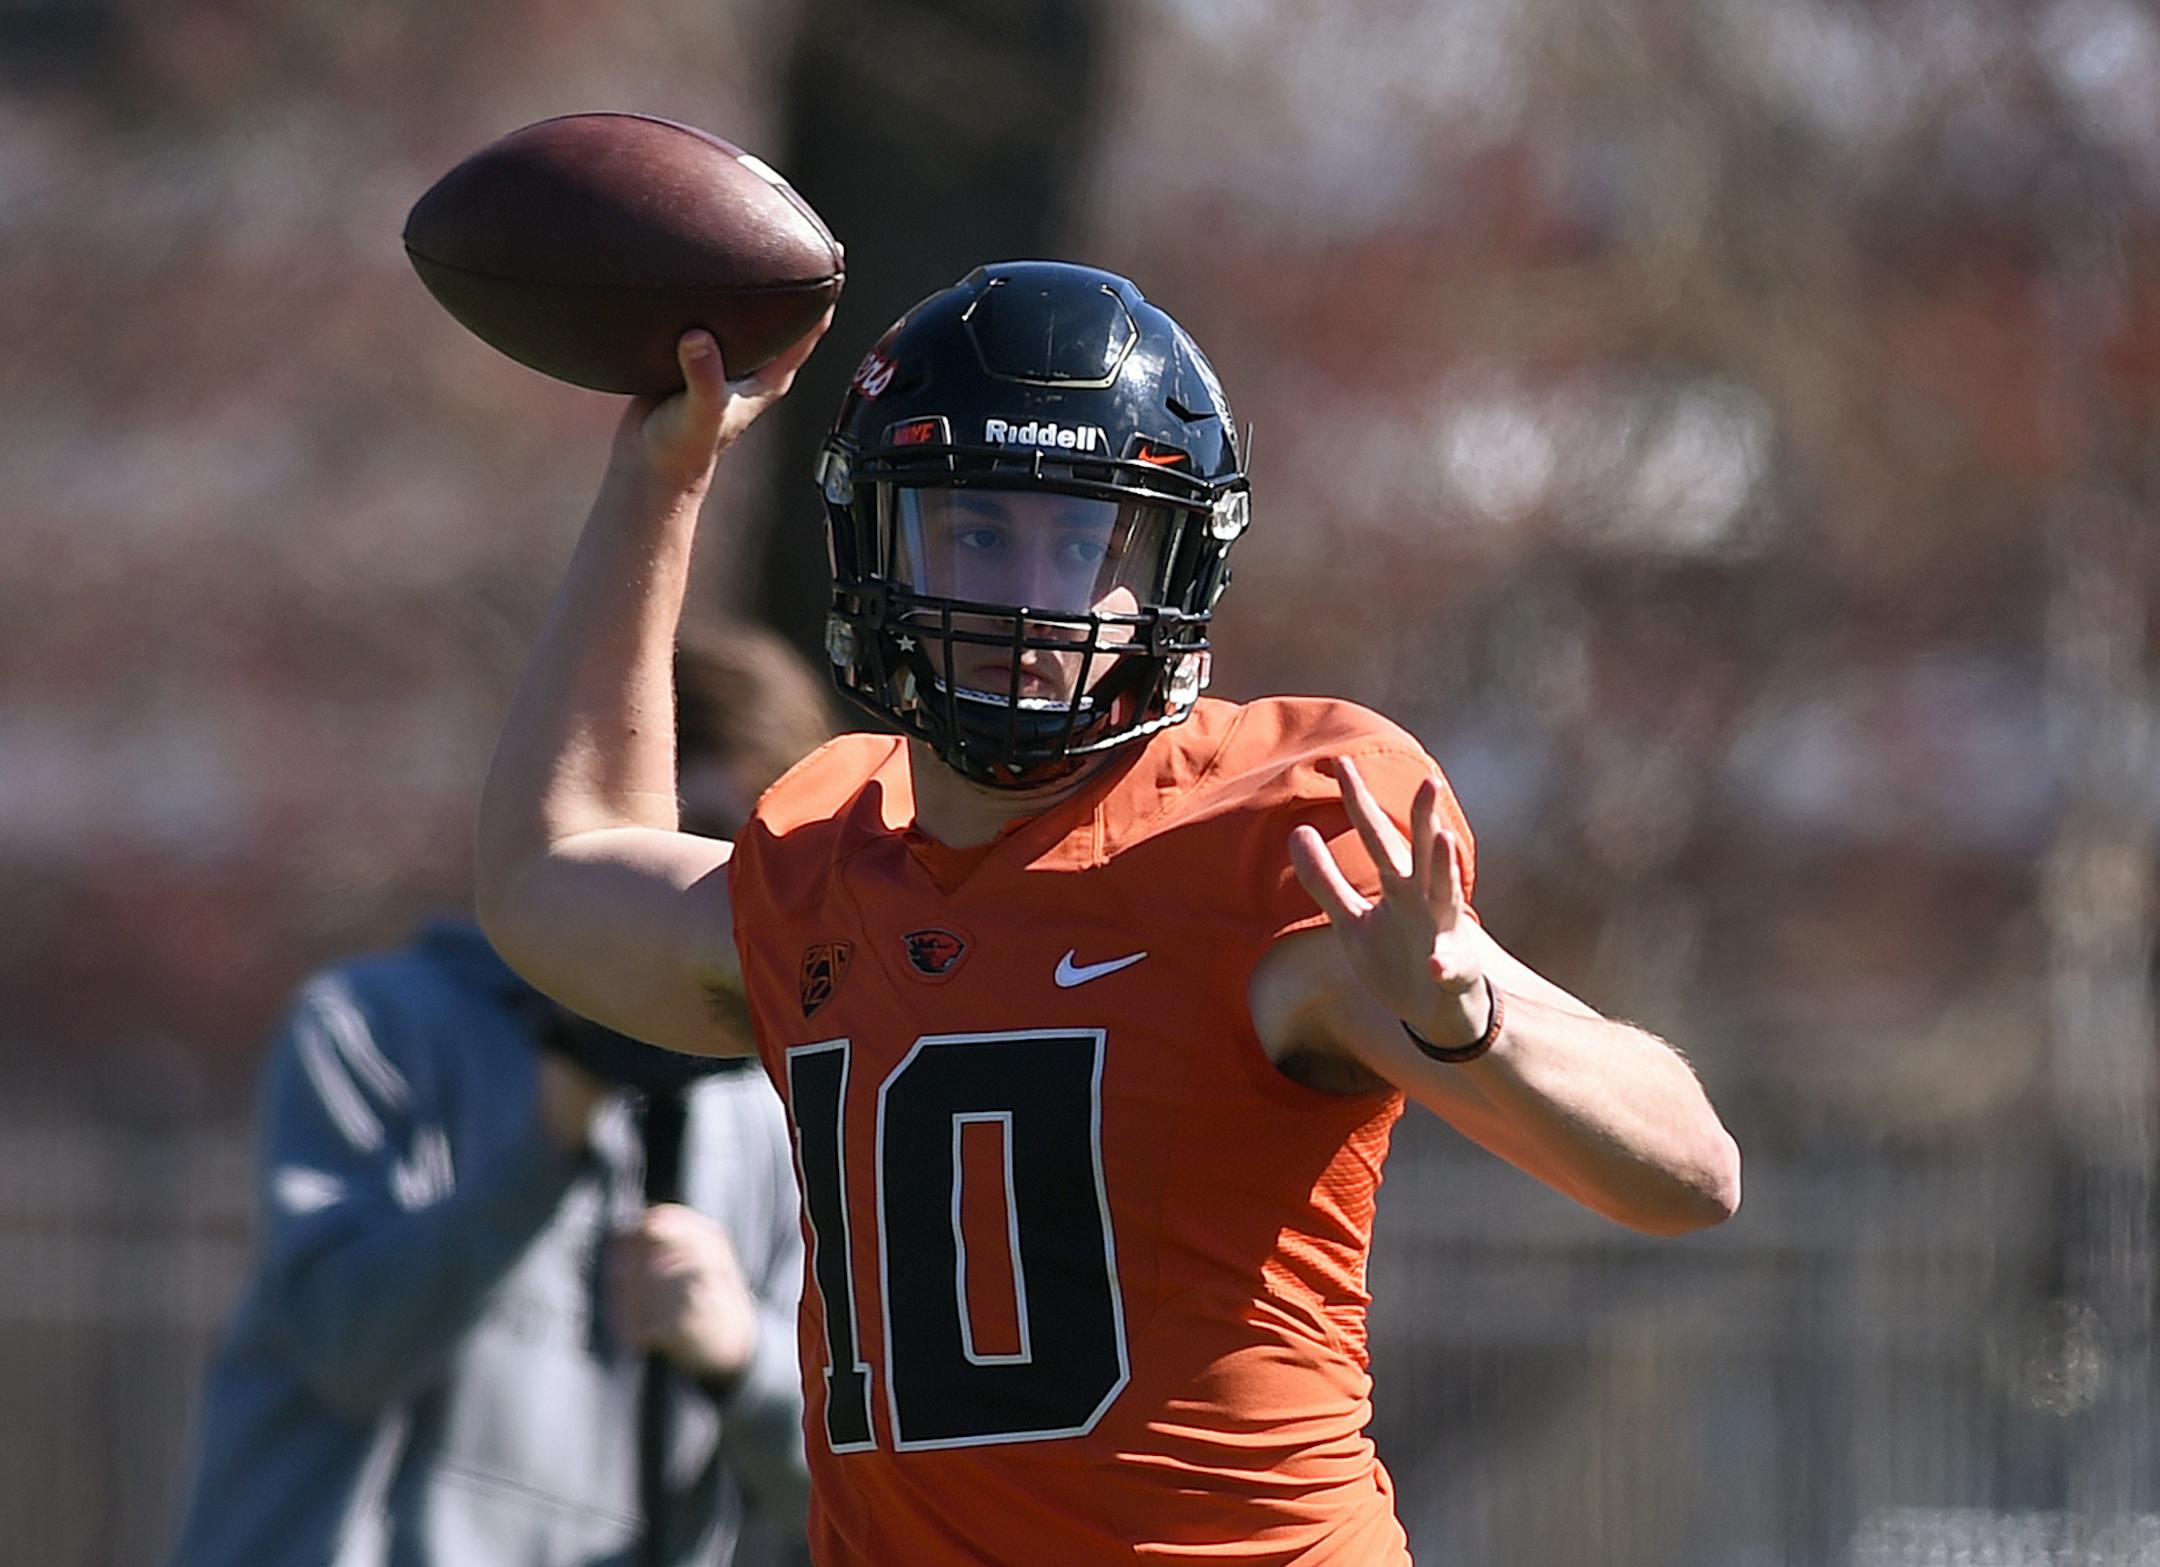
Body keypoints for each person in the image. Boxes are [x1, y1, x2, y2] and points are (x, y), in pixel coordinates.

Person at [474, 262, 1743, 1566]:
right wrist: (659, 477)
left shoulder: (1275, 837)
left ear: (1173, 569)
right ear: (878, 541)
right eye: (974, 529)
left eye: (1084, 541)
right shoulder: (823, 860)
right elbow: (550, 874)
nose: (1030, 595)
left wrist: (1475, 1021)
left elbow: (1690, 1170)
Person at [166, 625, 834, 1567]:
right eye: (665, 837)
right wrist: (543, 1149)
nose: (686, 887)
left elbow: (852, 1492)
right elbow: (342, 1350)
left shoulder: (779, 1113)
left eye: (732, 853)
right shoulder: (375, 1026)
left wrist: (743, 1357)